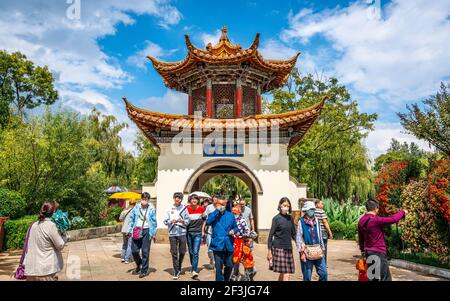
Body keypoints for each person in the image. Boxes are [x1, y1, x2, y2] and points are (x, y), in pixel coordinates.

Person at [358, 199, 406, 281]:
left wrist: (363, 250)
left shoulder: (361, 221)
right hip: (379, 253)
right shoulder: (376, 220)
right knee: (385, 278)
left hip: (368, 252)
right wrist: (402, 212)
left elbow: (361, 238)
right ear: (376, 208)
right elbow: (393, 219)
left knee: (373, 278)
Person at [24, 201, 67, 281]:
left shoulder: (32, 225)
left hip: (30, 271)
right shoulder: (51, 225)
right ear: (54, 212)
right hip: (45, 271)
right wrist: (64, 235)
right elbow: (60, 245)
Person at [206, 195, 238, 281]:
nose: (222, 206)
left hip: (229, 243)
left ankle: (226, 279)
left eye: (223, 204)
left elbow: (236, 227)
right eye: (220, 204)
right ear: (216, 204)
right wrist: (217, 211)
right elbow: (208, 222)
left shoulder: (230, 215)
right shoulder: (213, 214)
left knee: (230, 265)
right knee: (218, 267)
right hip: (218, 244)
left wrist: (233, 231)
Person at [128, 192, 157, 278]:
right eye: (143, 199)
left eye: (146, 199)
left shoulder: (151, 209)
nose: (145, 200)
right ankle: (139, 263)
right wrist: (129, 230)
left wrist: (153, 233)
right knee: (134, 251)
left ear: (148, 200)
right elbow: (131, 218)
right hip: (137, 230)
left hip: (147, 230)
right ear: (141, 199)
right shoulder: (136, 208)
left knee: (145, 251)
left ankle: (144, 270)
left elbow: (154, 222)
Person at [296, 201, 328, 281]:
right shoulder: (301, 222)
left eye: (313, 209)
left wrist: (322, 249)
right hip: (306, 251)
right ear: (306, 210)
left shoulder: (316, 220)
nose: (312, 211)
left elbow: (320, 235)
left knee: (324, 273)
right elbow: (299, 238)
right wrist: (301, 253)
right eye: (311, 209)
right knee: (307, 277)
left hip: (318, 250)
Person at [267, 197, 296, 281]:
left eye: (288, 205)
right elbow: (270, 236)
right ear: (280, 205)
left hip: (288, 248)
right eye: (284, 205)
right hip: (278, 248)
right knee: (286, 273)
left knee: (283, 273)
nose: (286, 207)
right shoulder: (276, 219)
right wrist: (269, 251)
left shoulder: (290, 218)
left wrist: (301, 244)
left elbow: (293, 234)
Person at [163, 192, 189, 280]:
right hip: (172, 233)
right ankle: (176, 270)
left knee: (182, 251)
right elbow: (165, 221)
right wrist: (171, 221)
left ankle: (179, 265)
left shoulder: (184, 208)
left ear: (181, 199)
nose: (177, 199)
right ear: (174, 198)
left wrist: (182, 221)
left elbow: (188, 221)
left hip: (182, 232)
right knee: (174, 252)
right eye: (176, 197)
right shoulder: (169, 208)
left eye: (179, 198)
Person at [231, 205, 256, 281]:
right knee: (235, 259)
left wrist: (239, 235)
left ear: (239, 213)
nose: (234, 215)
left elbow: (247, 232)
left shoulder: (242, 221)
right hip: (234, 242)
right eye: (233, 213)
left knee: (246, 258)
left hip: (243, 242)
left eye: (236, 213)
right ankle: (235, 274)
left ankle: (249, 274)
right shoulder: (231, 221)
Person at [186, 194, 205, 279]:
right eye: (192, 199)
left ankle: (194, 270)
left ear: (198, 200)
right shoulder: (186, 209)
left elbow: (205, 220)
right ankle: (193, 266)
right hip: (188, 233)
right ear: (190, 200)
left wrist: (202, 230)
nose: (194, 200)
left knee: (196, 252)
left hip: (198, 233)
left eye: (196, 199)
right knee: (191, 251)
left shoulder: (201, 209)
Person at [202, 194, 217, 269]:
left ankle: (215, 261)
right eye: (213, 199)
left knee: (216, 247)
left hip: (217, 231)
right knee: (210, 248)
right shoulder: (209, 207)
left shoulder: (221, 207)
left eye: (216, 199)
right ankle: (212, 259)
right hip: (209, 231)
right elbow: (204, 216)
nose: (215, 201)